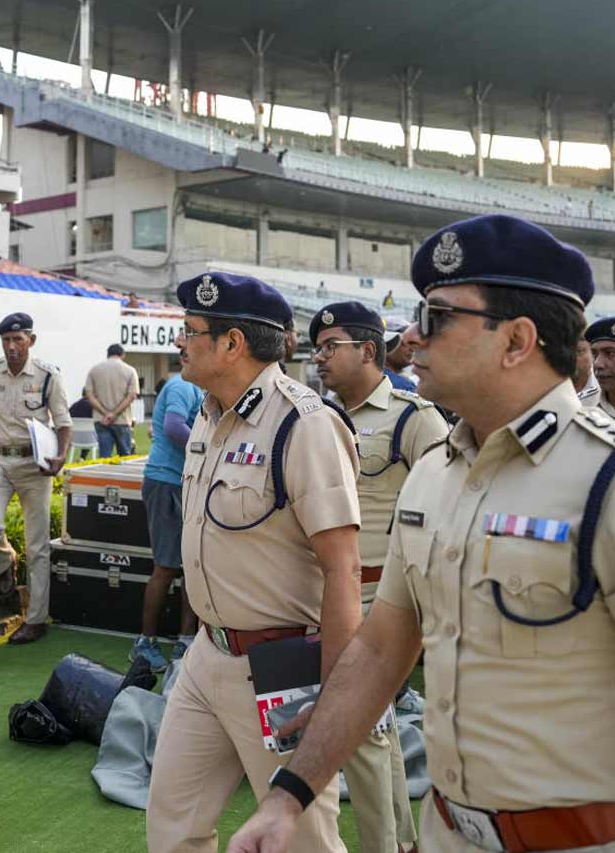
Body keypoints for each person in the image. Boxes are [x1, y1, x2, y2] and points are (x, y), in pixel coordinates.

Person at [227, 215, 615, 853]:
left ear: (516, 340)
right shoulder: (433, 472)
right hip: (448, 833)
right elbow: (379, 650)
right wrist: (291, 794)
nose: (409, 337)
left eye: (435, 318)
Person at [146, 272, 362, 853]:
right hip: (205, 656)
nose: (180, 343)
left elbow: (343, 570)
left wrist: (333, 694)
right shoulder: (208, 413)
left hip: (281, 668)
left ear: (232, 344)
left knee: (304, 840)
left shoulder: (303, 423)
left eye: (191, 332)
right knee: (172, 823)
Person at [310, 301, 449, 853]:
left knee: (356, 728)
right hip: (328, 592)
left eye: (329, 348)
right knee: (375, 727)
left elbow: (445, 507)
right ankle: (401, 841)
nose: (319, 358)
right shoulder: (318, 416)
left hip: (382, 596)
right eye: (316, 348)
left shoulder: (414, 418)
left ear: (368, 351)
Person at [0, 312, 72, 645]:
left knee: (38, 546)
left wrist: (60, 457)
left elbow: (64, 423)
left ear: (31, 341)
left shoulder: (47, 377)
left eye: (18, 340)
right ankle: (6, 562)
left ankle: (36, 619)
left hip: (34, 466)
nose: (12, 347)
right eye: (6, 341)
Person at [130, 372, 204, 672]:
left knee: (191, 564)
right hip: (166, 481)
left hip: (185, 482)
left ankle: (186, 640)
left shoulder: (202, 387)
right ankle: (145, 643)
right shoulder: (183, 385)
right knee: (166, 566)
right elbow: (174, 427)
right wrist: (210, 450)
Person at [84, 343, 140, 457]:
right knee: (125, 457)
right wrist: (114, 414)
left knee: (104, 457)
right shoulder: (130, 371)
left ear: (108, 354)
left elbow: (89, 395)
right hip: (122, 420)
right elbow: (132, 396)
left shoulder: (94, 370)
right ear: (122, 355)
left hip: (101, 419)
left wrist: (106, 413)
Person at [383, 317, 417, 392]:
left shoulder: (409, 381)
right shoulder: (403, 387)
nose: (412, 348)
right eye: (403, 343)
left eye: (413, 343)